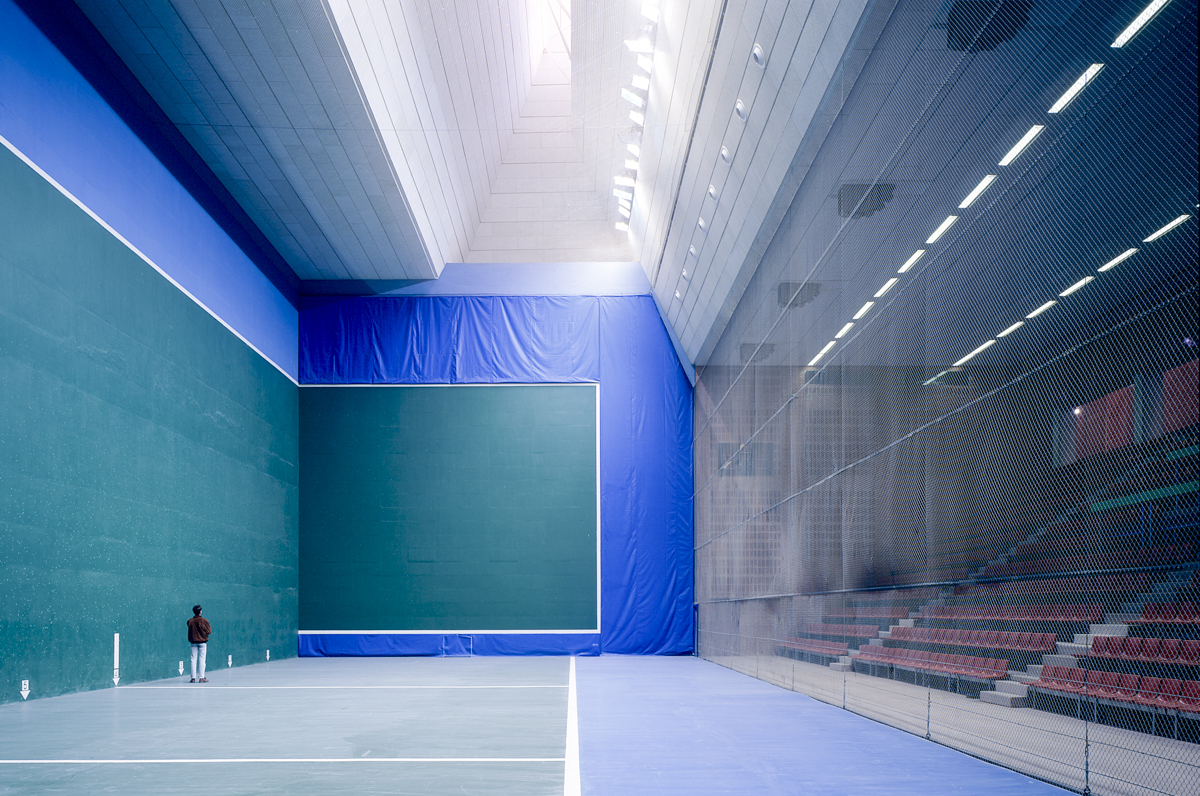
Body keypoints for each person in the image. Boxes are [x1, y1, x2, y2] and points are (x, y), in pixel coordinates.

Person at [187, 605, 212, 683]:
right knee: (202, 659)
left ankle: (193, 678)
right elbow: (209, 631)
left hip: (193, 643)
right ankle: (201, 678)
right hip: (202, 643)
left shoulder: (189, 621)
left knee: (193, 659)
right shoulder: (204, 621)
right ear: (200, 611)